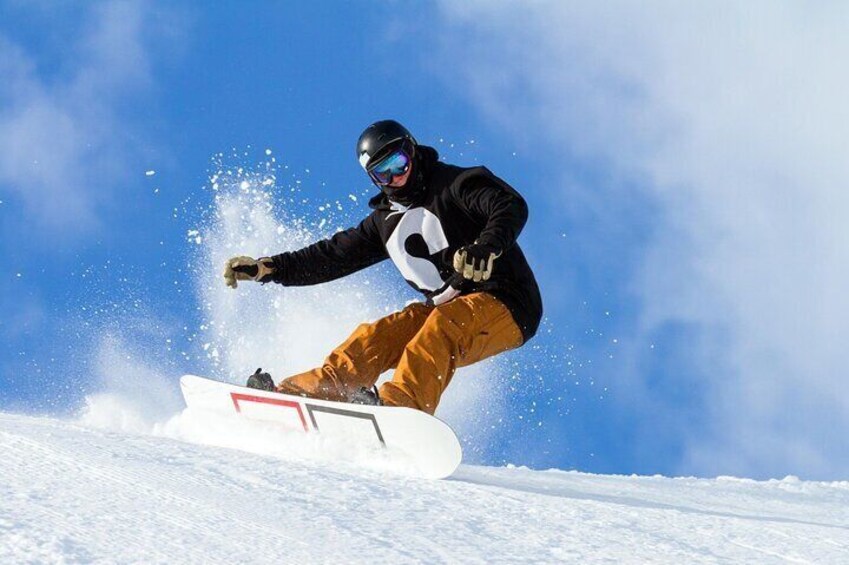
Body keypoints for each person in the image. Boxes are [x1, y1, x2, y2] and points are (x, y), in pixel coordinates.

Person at [223, 120, 542, 415]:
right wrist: (269, 268)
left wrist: (487, 246)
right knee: (376, 337)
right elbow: (330, 257)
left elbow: (508, 205)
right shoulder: (383, 224)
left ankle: (400, 407)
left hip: (507, 301)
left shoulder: (455, 185)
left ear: (413, 152)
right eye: (383, 174)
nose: (395, 178)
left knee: (441, 327)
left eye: (399, 164)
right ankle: (299, 396)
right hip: (445, 306)